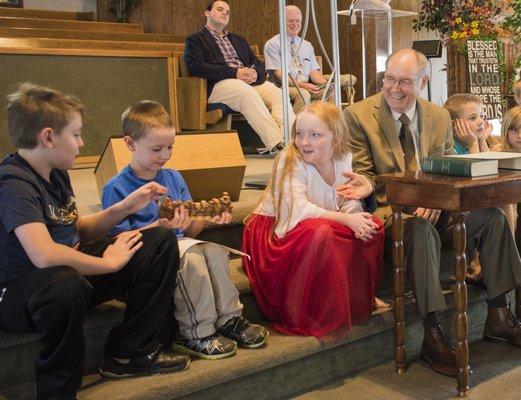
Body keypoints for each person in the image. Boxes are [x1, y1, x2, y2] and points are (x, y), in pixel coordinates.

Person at [0, 83, 189, 400]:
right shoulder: (14, 182)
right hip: (21, 294)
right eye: (75, 134)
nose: (81, 142)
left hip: (68, 277)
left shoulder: (55, 171)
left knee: (158, 241)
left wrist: (124, 208)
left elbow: (77, 230)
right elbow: (44, 255)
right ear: (48, 137)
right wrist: (107, 263)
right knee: (65, 284)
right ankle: (57, 391)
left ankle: (127, 352)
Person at [343, 48, 521, 377]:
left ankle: (499, 315)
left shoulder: (438, 116)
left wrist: (434, 196)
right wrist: (416, 195)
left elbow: (445, 170)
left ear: (423, 82)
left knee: (493, 218)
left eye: (405, 82)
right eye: (390, 79)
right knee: (421, 230)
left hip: (436, 207)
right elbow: (366, 179)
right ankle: (432, 333)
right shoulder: (358, 116)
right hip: (388, 214)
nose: (395, 88)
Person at [102, 100, 268, 361]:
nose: (165, 155)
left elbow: (191, 230)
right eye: (157, 148)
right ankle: (194, 333)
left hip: (181, 244)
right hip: (149, 259)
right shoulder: (117, 187)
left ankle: (229, 319)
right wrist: (161, 227)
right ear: (130, 144)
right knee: (191, 259)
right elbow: (119, 241)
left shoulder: (173, 177)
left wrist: (207, 215)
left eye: (170, 147)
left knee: (213, 252)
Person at [242, 101, 384, 338]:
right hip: (278, 230)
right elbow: (299, 210)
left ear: (336, 138)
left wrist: (355, 216)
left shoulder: (344, 157)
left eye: (315, 135)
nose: (304, 142)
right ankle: (310, 310)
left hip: (319, 222)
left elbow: (346, 199)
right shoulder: (290, 159)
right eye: (299, 134)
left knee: (373, 226)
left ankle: (355, 298)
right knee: (322, 233)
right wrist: (347, 221)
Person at [184, 0, 294, 153]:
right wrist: (234, 73)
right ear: (207, 13)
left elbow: (256, 62)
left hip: (247, 82)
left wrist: (255, 74)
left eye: (227, 12)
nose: (225, 13)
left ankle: (292, 141)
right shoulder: (196, 39)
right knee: (245, 92)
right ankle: (278, 143)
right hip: (219, 85)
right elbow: (197, 67)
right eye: (220, 9)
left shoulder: (237, 39)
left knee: (278, 94)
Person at [264, 5, 356, 113]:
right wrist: (303, 86)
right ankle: (296, 128)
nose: (295, 24)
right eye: (290, 21)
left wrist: (326, 85)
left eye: (298, 21)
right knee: (303, 94)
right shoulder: (273, 44)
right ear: (282, 22)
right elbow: (279, 76)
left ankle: (331, 126)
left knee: (332, 91)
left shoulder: (307, 45)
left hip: (307, 85)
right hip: (282, 87)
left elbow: (313, 73)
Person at [444, 93, 493, 280]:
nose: (480, 121)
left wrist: (481, 140)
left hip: (477, 203)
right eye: (472, 118)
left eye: (481, 116)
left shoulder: (472, 142)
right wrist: (474, 143)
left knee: (506, 205)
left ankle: (495, 255)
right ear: (455, 125)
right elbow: (475, 184)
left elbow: (491, 173)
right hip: (458, 209)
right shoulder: (453, 148)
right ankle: (476, 259)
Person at [491, 106, 521, 235]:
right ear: (506, 131)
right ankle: (510, 250)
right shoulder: (498, 152)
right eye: (514, 130)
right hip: (506, 199)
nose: (520, 135)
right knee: (507, 202)